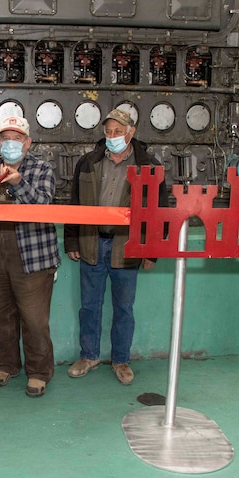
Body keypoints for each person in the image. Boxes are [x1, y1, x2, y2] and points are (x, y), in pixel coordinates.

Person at [64, 108, 169, 385]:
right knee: (89, 306)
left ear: (131, 132)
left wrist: (152, 251)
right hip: (91, 243)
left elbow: (160, 210)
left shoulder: (149, 166)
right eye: (108, 132)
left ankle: (121, 360)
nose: (112, 137)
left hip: (127, 246)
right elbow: (75, 202)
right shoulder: (88, 162)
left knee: (123, 308)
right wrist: (72, 240)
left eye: (118, 132)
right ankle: (89, 355)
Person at [0, 116, 60, 398]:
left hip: (32, 254)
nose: (10, 143)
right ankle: (6, 365)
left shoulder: (42, 169)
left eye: (16, 138)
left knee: (34, 319)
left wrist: (19, 182)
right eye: (5, 138)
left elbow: (44, 205)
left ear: (28, 142)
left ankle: (38, 372)